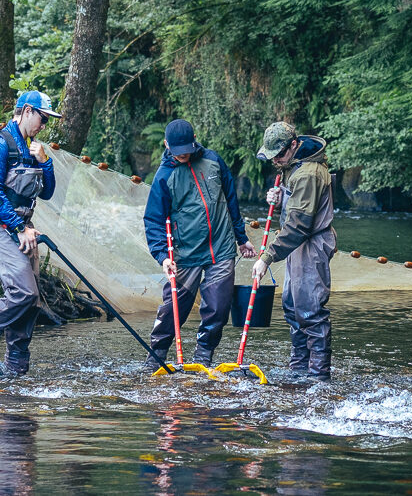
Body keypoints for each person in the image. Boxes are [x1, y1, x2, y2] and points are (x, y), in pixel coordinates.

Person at [0, 90, 61, 375]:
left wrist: (45, 162)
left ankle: (16, 367)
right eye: (43, 118)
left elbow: (49, 192)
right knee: (23, 291)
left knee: (31, 301)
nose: (44, 126)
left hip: (23, 230)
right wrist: (18, 228)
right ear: (27, 111)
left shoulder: (32, 148)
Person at [142, 119, 257, 370]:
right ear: (166, 145)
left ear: (195, 138)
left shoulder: (213, 161)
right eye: (178, 151)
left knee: (218, 306)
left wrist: (242, 238)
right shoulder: (165, 176)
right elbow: (153, 220)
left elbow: (231, 201)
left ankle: (204, 354)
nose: (183, 155)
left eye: (187, 149)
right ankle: (157, 356)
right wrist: (163, 256)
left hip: (222, 247)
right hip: (185, 252)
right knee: (174, 308)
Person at [251, 122, 336, 381]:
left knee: (310, 310)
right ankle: (299, 369)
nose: (275, 160)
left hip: (311, 245)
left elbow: (299, 225)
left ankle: (318, 377)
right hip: (298, 247)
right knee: (292, 306)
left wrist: (266, 258)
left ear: (294, 145)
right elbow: (295, 210)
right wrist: (280, 200)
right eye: (272, 155)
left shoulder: (308, 173)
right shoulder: (294, 167)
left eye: (279, 154)